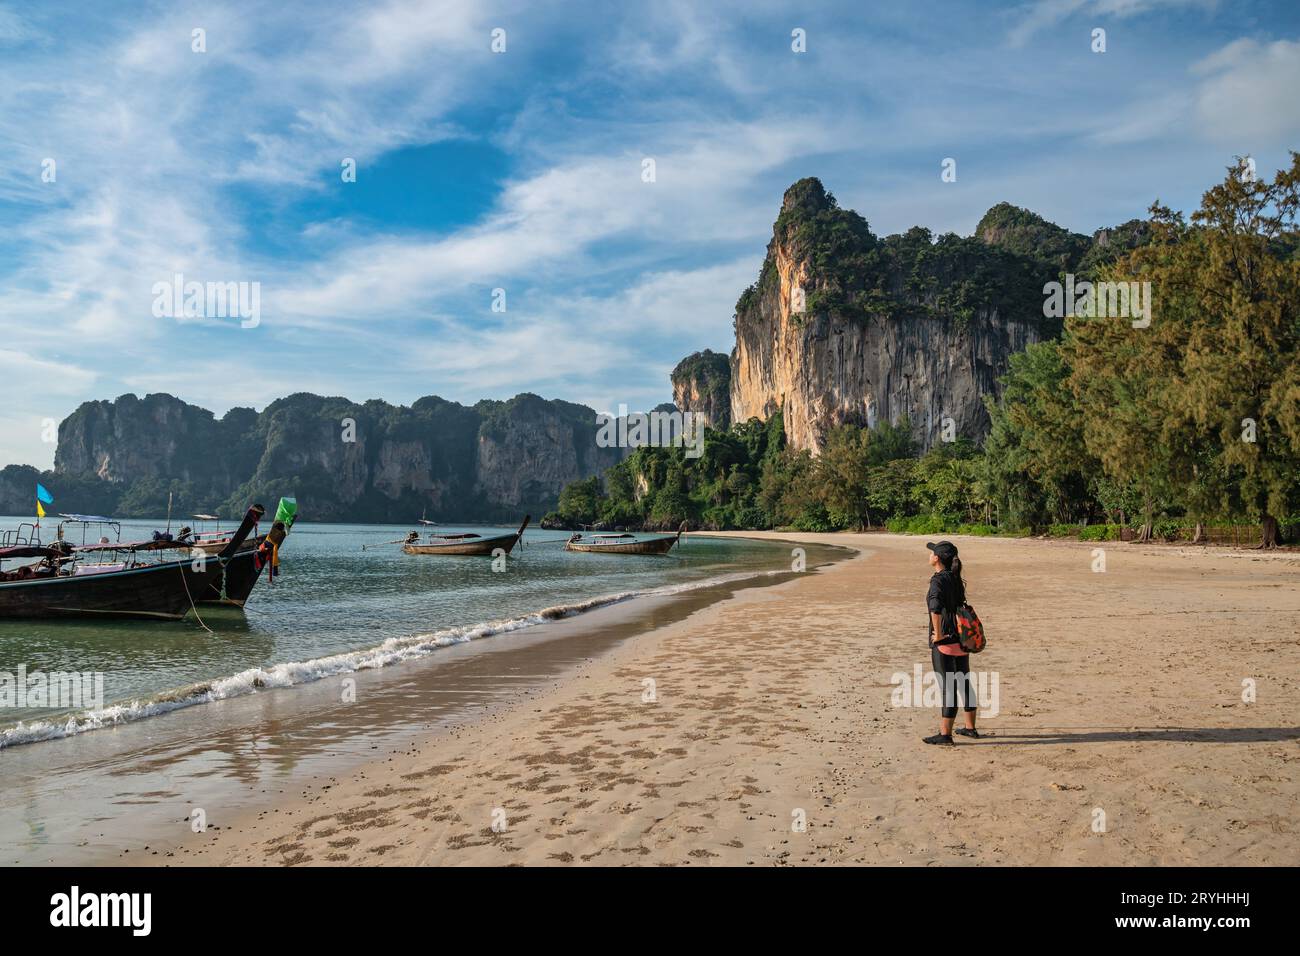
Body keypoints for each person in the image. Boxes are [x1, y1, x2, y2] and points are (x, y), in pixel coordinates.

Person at [922, 540, 978, 745]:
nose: (929, 555)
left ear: (937, 558)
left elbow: (935, 609)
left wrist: (937, 635)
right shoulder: (955, 577)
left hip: (945, 641)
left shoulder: (938, 580)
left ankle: (945, 734)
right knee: (964, 683)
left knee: (948, 687)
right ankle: (970, 728)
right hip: (961, 639)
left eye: (932, 553)